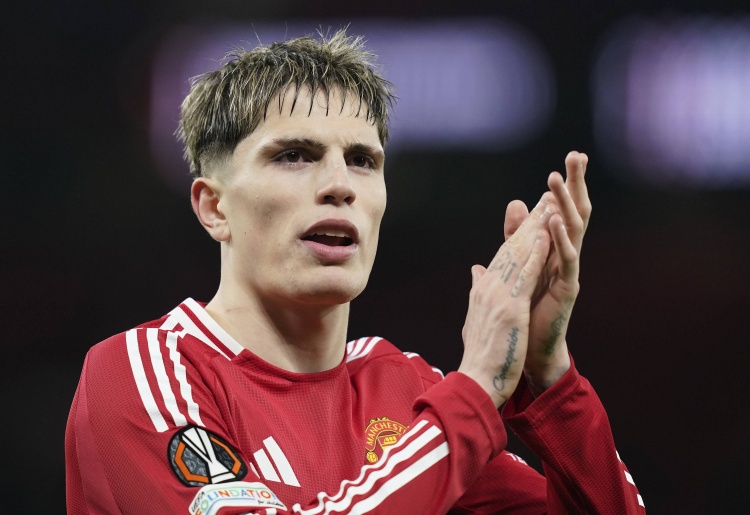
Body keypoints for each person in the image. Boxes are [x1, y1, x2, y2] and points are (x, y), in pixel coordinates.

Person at [65, 29, 645, 514]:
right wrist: (476, 390)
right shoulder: (144, 371)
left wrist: (551, 380)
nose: (340, 185)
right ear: (214, 207)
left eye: (363, 160)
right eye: (294, 155)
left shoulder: (407, 390)